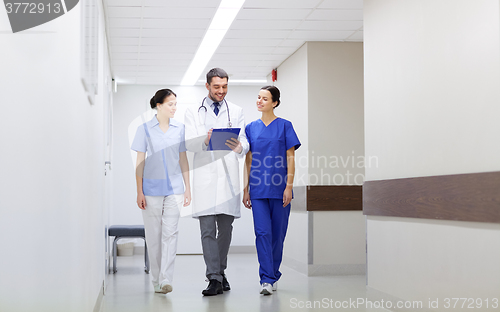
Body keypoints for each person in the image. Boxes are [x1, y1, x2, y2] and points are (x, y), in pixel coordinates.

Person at [184, 68, 249, 296]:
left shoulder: (237, 110)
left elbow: (244, 141)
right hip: (204, 178)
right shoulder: (193, 111)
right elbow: (189, 143)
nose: (221, 91)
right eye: (216, 87)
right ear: (207, 86)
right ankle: (213, 277)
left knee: (226, 229)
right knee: (207, 230)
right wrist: (206, 139)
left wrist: (239, 146)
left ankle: (220, 272)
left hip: (228, 177)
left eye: (224, 87)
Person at [131, 89, 191, 294]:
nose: (174, 108)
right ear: (158, 105)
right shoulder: (144, 129)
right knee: (154, 236)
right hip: (150, 189)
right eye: (170, 104)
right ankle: (156, 280)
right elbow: (139, 162)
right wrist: (139, 191)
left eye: (176, 104)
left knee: (170, 233)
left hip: (174, 189)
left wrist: (188, 187)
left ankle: (166, 279)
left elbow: (183, 159)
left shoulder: (180, 128)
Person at [242, 86, 301, 295]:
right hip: (257, 189)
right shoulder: (250, 128)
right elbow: (248, 159)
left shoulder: (285, 126)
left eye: (264, 98)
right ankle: (266, 279)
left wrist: (289, 186)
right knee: (262, 233)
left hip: (280, 188)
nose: (260, 101)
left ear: (274, 102)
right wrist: (246, 188)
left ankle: (273, 273)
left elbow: (291, 158)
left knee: (277, 235)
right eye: (258, 97)